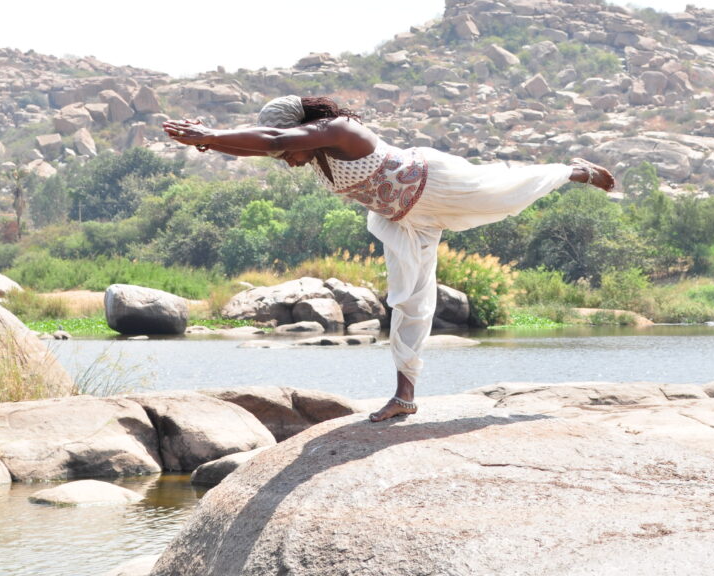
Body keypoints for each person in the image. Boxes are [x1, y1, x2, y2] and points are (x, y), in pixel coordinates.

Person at [163, 96, 614, 422]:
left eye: (289, 153)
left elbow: (275, 139)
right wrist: (209, 143)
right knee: (409, 301)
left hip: (435, 184)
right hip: (403, 218)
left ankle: (574, 170)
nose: (288, 161)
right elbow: (268, 145)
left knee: (503, 190)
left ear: (305, 129)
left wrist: (212, 133)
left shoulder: (340, 132)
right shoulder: (313, 152)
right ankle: (405, 396)